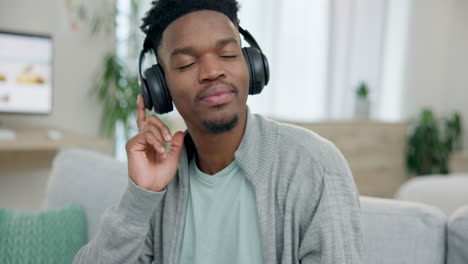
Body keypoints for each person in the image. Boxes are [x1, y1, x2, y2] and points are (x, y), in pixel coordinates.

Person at [73, 0, 362, 263]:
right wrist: (141, 196)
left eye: (227, 54)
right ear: (159, 88)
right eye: (187, 63)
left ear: (252, 66)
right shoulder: (161, 181)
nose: (212, 71)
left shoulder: (313, 167)